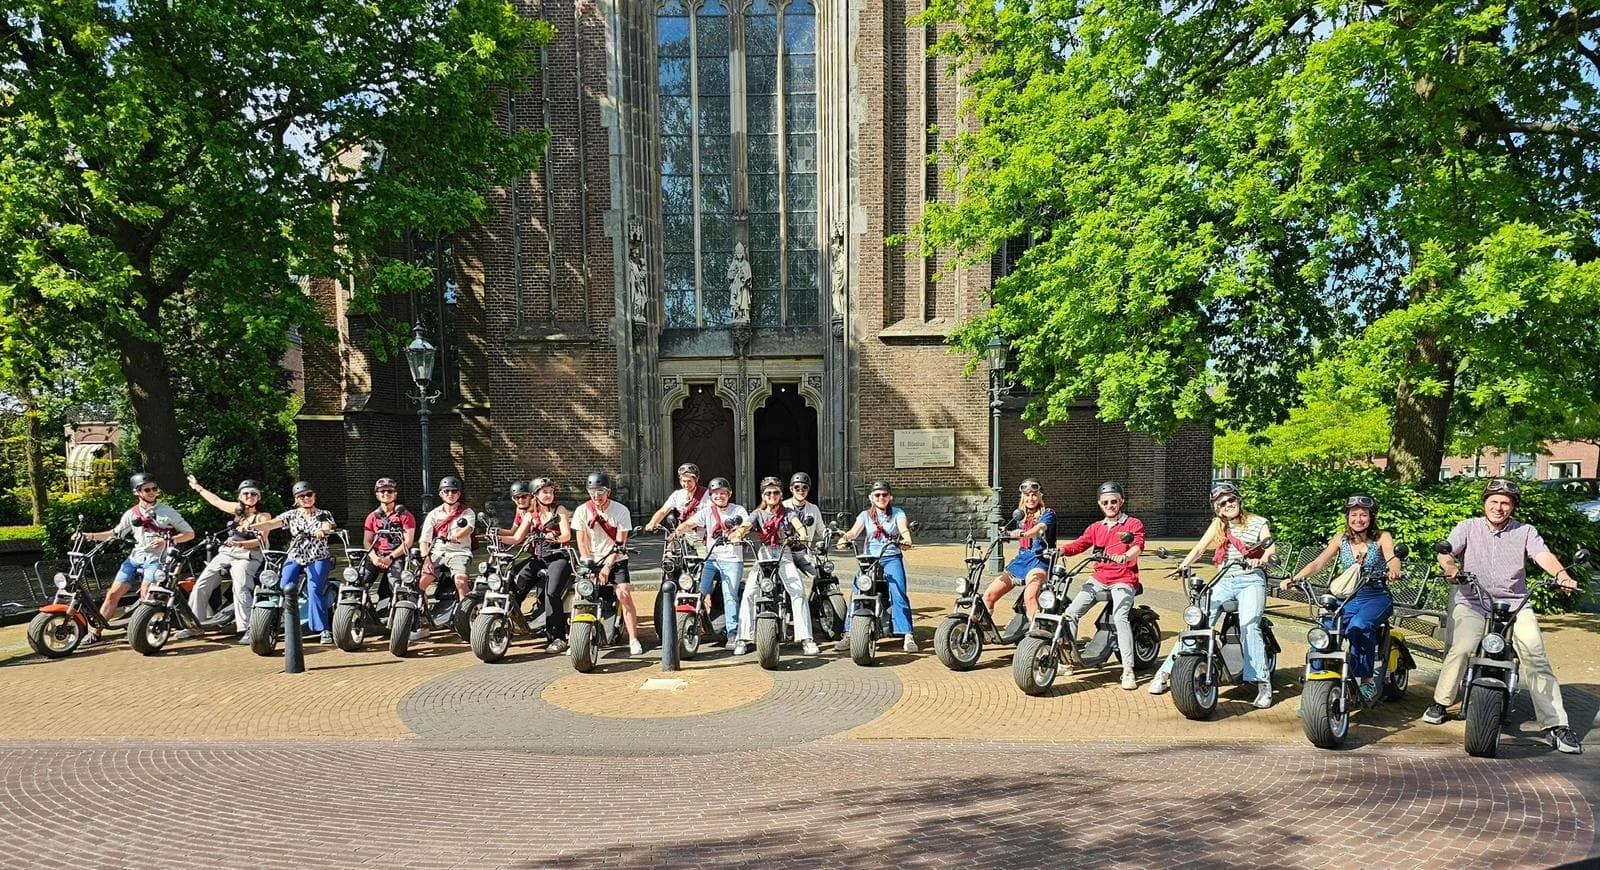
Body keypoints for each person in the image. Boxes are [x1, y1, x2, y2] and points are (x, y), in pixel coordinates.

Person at [1425, 478, 1584, 754]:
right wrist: (1450, 567)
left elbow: (1542, 554)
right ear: (1485, 503)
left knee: (1535, 656)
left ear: (1512, 507)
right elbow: (1446, 552)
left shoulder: (1525, 531)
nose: (1498, 507)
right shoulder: (1468, 527)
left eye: (1505, 503)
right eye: (1494, 501)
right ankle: (1441, 702)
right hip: (1474, 601)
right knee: (1462, 648)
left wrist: (1561, 575)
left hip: (1515, 605)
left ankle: (1556, 724)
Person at [1149, 482, 1277, 708]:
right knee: (1197, 623)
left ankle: (1262, 683)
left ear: (1238, 500)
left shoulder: (1258, 522)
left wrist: (1261, 560)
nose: (1228, 505)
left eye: (1231, 500)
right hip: (1224, 579)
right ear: (1217, 509)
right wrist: (1183, 566)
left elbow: (1270, 548)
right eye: (1222, 504)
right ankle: (1165, 673)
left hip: (1251, 579)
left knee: (1249, 625)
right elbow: (1200, 548)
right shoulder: (1218, 525)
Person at [1280, 494, 1400, 705]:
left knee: (1359, 626)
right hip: (1348, 598)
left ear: (1371, 517)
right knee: (1325, 628)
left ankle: (1366, 679)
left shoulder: (1382, 537)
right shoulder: (1341, 539)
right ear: (1347, 517)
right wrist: (1295, 578)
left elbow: (1392, 557)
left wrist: (1394, 569)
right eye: (1354, 515)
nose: (1358, 519)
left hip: (1375, 596)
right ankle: (1315, 683)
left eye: (1363, 515)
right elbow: (1318, 563)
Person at [79, 473, 196, 646]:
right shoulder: (131, 514)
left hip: (157, 559)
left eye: (154, 489)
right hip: (135, 558)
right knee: (113, 594)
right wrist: (89, 536)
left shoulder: (167, 512)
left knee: (146, 594)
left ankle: (141, 630)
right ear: (137, 492)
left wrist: (168, 541)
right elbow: (115, 534)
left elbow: (189, 534)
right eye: (147, 490)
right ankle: (96, 632)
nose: (152, 492)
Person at [1060, 482, 1145, 690]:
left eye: (1114, 501)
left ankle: (1128, 670)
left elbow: (1137, 545)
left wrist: (1125, 556)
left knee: (1120, 617)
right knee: (1070, 613)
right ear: (1100, 504)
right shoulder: (1096, 527)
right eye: (1105, 502)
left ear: (1121, 501)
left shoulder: (1133, 524)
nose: (1110, 505)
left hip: (1124, 577)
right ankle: (1068, 660)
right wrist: (1060, 550)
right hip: (1099, 578)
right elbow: (1080, 544)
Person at [736, 477, 820, 656]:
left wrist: (803, 534)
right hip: (764, 553)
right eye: (768, 493)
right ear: (763, 495)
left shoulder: (788, 512)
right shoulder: (757, 513)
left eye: (775, 492)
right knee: (749, 592)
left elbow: (798, 525)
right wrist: (738, 534)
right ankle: (743, 638)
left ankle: (806, 639)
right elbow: (746, 525)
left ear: (781, 495)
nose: (772, 495)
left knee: (798, 592)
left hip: (784, 552)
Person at [186, 475, 272, 642]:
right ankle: (193, 626)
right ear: (240, 496)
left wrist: (239, 544)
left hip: (248, 556)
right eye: (246, 493)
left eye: (253, 494)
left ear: (259, 497)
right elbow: (216, 501)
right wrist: (198, 487)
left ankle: (248, 628)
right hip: (228, 552)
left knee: (240, 587)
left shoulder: (263, 516)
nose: (249, 496)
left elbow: (259, 541)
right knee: (201, 584)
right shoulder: (237, 510)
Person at [252, 481, 338, 644]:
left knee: (314, 589)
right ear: (296, 500)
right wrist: (252, 527)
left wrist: (322, 531)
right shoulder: (291, 515)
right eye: (301, 496)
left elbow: (327, 526)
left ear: (314, 496)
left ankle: (323, 630)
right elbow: (271, 523)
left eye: (308, 494)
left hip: (318, 556)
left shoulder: (323, 514)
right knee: (284, 585)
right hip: (296, 555)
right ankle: (288, 623)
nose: (306, 498)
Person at [838, 480, 916, 653]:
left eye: (884, 494)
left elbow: (903, 529)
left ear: (890, 497)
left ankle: (907, 635)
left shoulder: (897, 513)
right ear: (871, 497)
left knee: (898, 592)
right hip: (869, 559)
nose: (881, 498)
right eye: (877, 495)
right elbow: (854, 532)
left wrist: (906, 539)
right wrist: (845, 539)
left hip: (891, 557)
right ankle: (849, 633)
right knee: (857, 591)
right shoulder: (864, 515)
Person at [571, 472, 643, 655]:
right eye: (592, 491)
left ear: (608, 492)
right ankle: (575, 639)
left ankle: (633, 639)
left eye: (601, 491)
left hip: (615, 560)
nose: (596, 495)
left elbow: (620, 544)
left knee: (624, 595)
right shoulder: (581, 511)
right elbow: (581, 542)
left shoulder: (621, 511)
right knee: (580, 594)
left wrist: (607, 567)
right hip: (591, 560)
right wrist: (588, 564)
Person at [676, 477, 751, 649]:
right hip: (711, 559)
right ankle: (696, 624)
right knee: (699, 592)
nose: (720, 496)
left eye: (723, 493)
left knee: (730, 595)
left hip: (732, 560)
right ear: (711, 496)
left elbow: (745, 525)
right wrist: (677, 533)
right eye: (716, 493)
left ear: (729, 494)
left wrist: (738, 534)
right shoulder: (707, 511)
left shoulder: (738, 510)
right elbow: (689, 523)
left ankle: (732, 633)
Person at [500, 477, 573, 654]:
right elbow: (516, 538)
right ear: (535, 495)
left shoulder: (559, 510)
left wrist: (554, 537)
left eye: (551, 492)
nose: (549, 495)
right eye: (544, 492)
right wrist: (495, 537)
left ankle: (557, 638)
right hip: (538, 558)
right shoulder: (530, 515)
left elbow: (566, 535)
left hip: (558, 557)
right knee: (515, 583)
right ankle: (510, 624)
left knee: (551, 593)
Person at [979, 479, 1058, 624]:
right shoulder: (1020, 517)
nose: (1031, 498)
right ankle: (983, 629)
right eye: (1027, 495)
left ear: (1040, 496)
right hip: (1021, 561)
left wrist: (1023, 534)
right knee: (989, 595)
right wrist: (1006, 534)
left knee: (1029, 595)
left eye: (1034, 495)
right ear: (1023, 497)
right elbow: (1015, 534)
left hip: (1039, 561)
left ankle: (1036, 631)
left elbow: (1039, 528)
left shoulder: (1048, 514)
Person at [418, 475, 477, 642]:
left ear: (459, 493)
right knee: (420, 583)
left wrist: (455, 536)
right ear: (440, 493)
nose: (450, 494)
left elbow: (468, 529)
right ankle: (422, 616)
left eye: (454, 491)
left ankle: (466, 619)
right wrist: (426, 559)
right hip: (437, 552)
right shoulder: (433, 514)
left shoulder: (467, 512)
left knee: (460, 581)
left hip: (459, 552)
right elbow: (424, 540)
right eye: (446, 491)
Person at [359, 476, 417, 620]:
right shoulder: (372, 517)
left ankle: (398, 616)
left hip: (396, 555)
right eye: (382, 491)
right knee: (359, 581)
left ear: (395, 494)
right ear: (377, 494)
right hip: (377, 555)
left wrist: (391, 557)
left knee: (395, 583)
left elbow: (408, 542)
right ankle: (365, 611)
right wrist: (374, 557)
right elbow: (367, 541)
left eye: (390, 491)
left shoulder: (405, 515)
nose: (386, 494)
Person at [645, 463, 709, 538]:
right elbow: (663, 511)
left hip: (703, 536)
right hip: (682, 534)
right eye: (684, 481)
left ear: (696, 480)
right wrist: (652, 523)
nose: (686, 484)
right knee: (669, 544)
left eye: (689, 481)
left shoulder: (707, 495)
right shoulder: (677, 495)